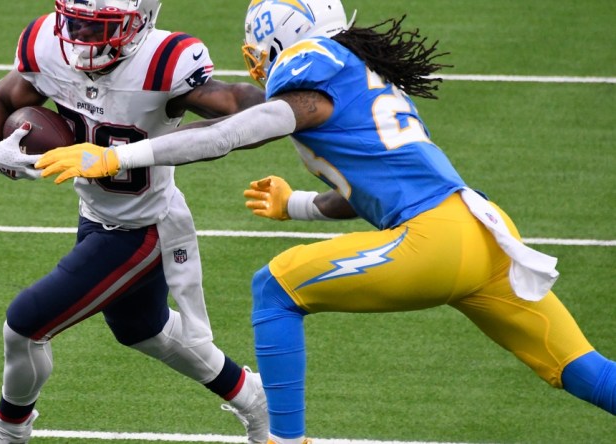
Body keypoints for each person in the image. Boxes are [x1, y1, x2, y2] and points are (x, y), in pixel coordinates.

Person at [36, 0, 616, 442]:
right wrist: (296, 206)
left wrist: (119, 155)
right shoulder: (359, 79)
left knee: (276, 286)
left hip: (437, 240)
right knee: (580, 370)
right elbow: (361, 189)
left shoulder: (310, 72)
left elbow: (232, 133)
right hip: (483, 233)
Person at [0, 1, 271, 443]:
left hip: (144, 229)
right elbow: (1, 99)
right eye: (75, 21)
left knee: (24, 325)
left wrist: (284, 97)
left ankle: (8, 429)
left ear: (140, 23)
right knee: (142, 329)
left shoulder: (162, 62)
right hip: (96, 215)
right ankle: (254, 398)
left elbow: (244, 109)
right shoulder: (49, 45)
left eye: (100, 27)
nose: (81, 38)